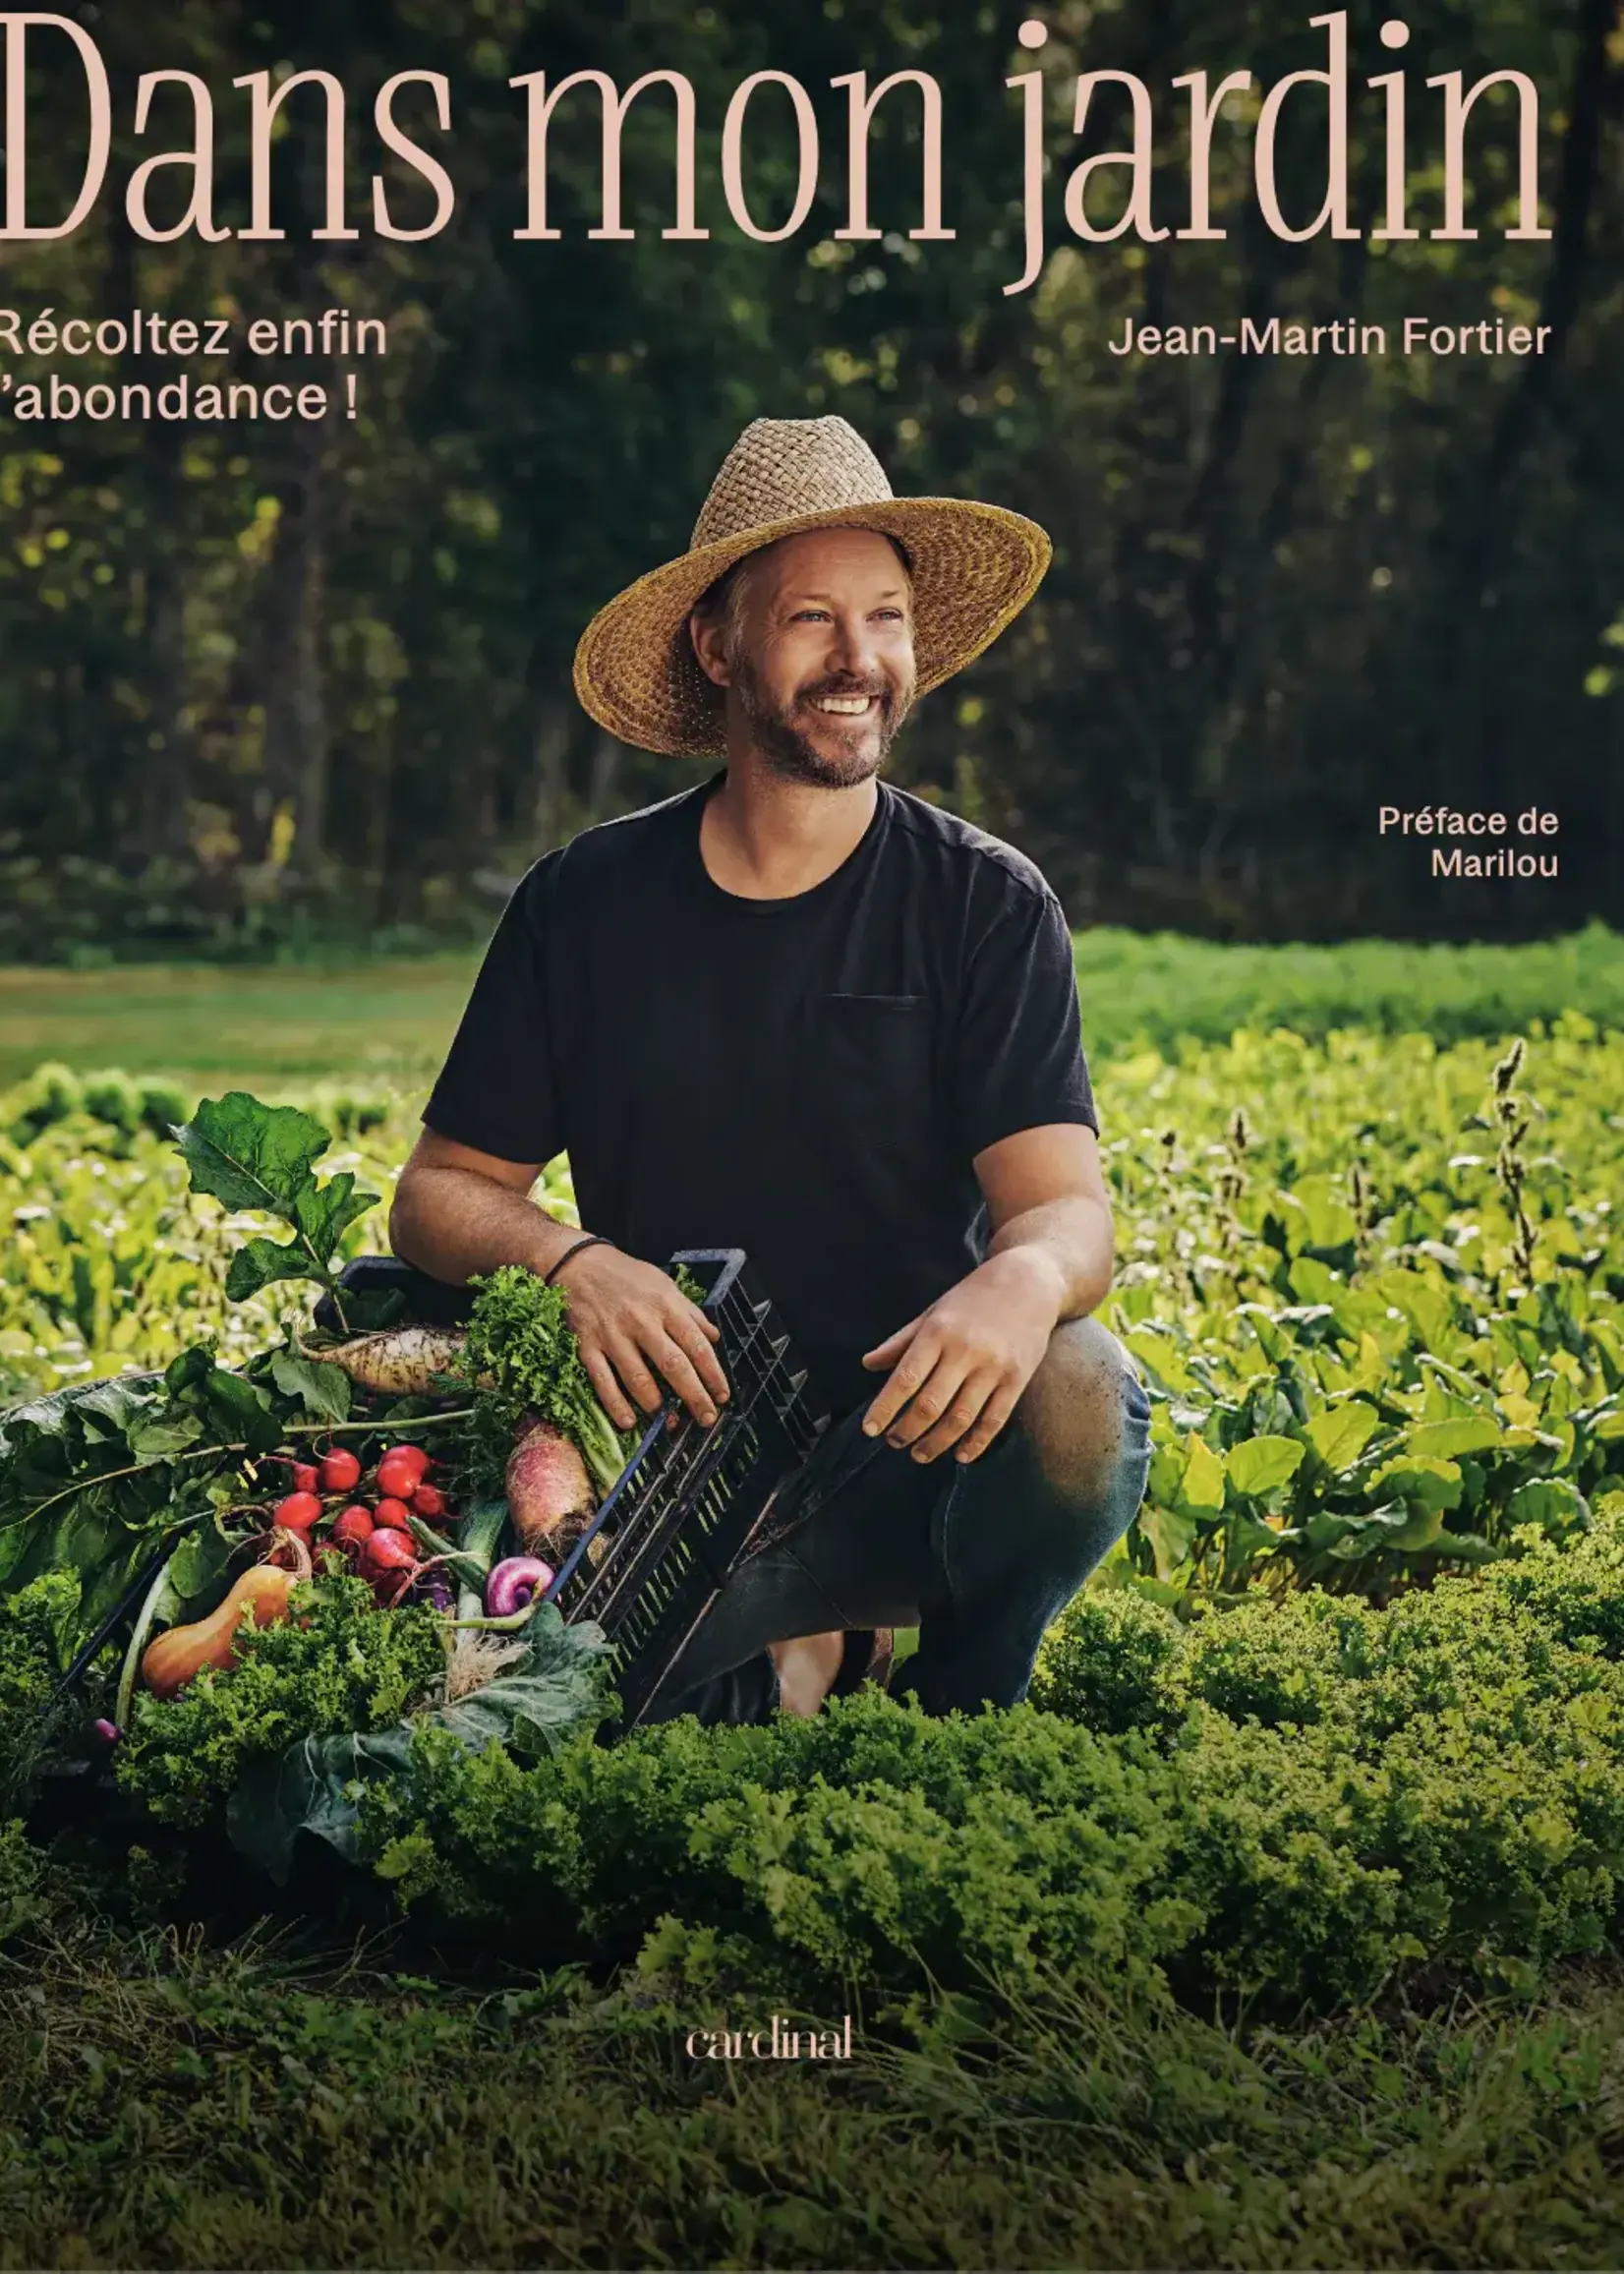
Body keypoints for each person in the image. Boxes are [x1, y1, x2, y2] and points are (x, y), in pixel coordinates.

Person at [390, 414, 1151, 1723]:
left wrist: (1021, 1281)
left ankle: (962, 1702)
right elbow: (438, 1195)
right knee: (527, 1719)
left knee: (1081, 1394)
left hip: (914, 1455)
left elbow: (1067, 1210)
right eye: (811, 619)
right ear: (717, 645)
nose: (861, 662)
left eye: (889, 618)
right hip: (672, 1471)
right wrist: (570, 1262)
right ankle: (813, 1661)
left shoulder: (984, 906)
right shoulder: (581, 909)